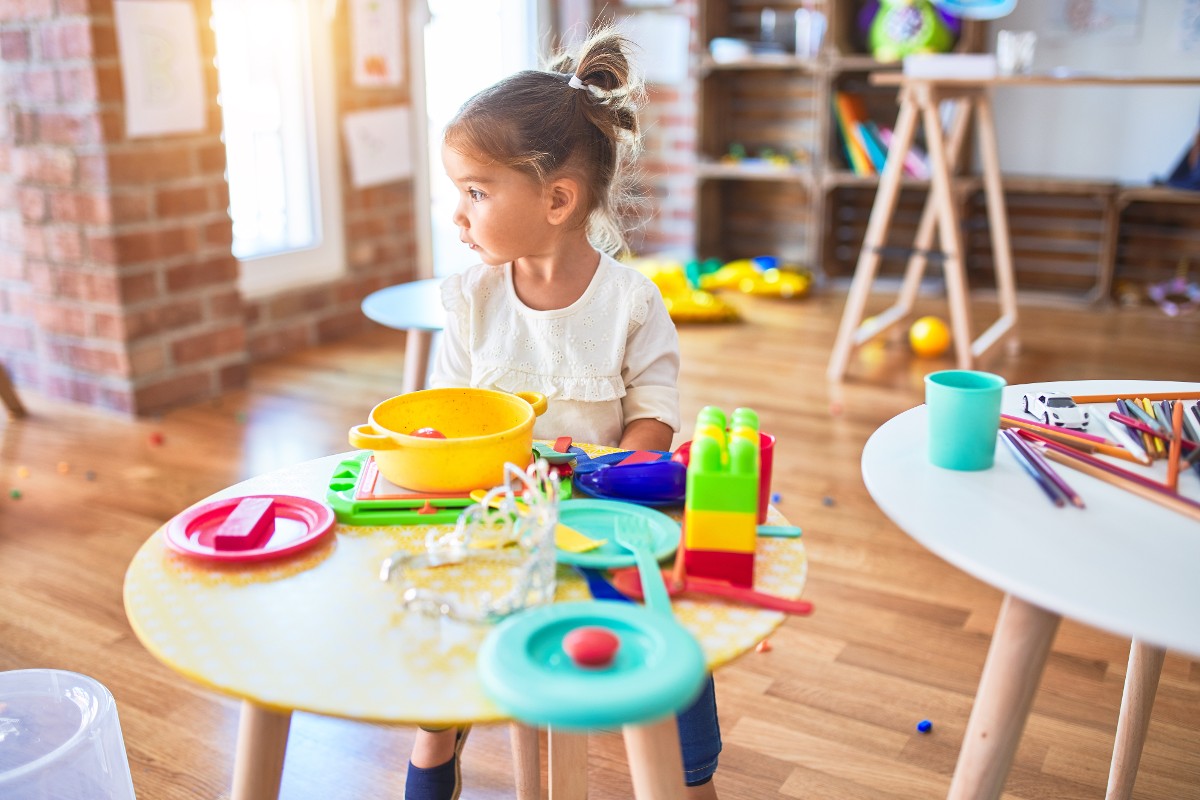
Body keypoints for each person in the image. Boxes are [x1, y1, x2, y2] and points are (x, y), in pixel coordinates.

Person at [406, 28, 722, 800]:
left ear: (556, 198)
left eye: (476, 192)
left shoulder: (632, 303)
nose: (458, 215)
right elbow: (453, 414)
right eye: (460, 193)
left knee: (670, 639)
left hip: (603, 519)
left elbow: (655, 419)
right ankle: (430, 757)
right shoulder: (470, 302)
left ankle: (690, 779)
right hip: (494, 515)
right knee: (438, 658)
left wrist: (603, 473)